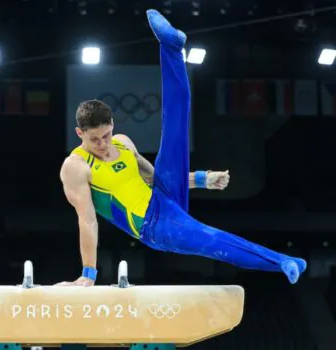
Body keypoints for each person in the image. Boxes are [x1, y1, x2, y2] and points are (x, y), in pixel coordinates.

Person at [57, 9, 307, 287]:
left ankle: (171, 47)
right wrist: (88, 275)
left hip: (163, 197)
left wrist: (202, 179)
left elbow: (155, 179)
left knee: (175, 122)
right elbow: (88, 221)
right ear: (80, 133)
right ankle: (283, 262)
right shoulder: (75, 167)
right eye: (95, 140)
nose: (103, 145)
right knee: (211, 238)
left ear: (112, 125)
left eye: (106, 135)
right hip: (155, 227)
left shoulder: (123, 142)